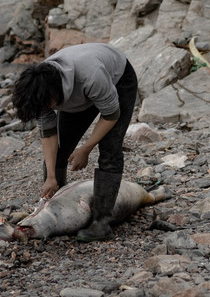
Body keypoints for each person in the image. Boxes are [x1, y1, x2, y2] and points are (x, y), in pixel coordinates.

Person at [12, 43, 138, 242]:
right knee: (60, 150)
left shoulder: (90, 76)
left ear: (54, 96)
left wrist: (86, 148)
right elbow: (48, 133)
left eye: (46, 106)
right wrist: (51, 176)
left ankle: (101, 223)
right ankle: (58, 206)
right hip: (78, 93)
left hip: (118, 79)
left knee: (110, 149)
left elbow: (111, 114)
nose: (45, 109)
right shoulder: (40, 89)